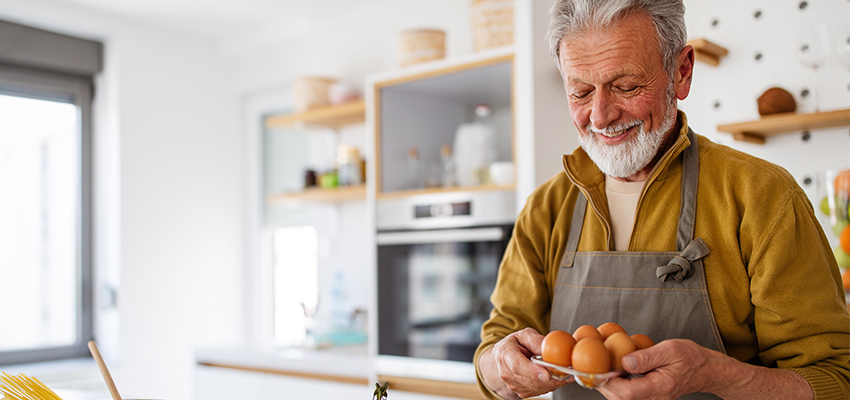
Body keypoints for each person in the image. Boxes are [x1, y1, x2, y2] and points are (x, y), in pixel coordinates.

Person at [473, 1, 850, 399]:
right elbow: (496, 345)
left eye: (627, 86)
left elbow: (835, 379)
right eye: (580, 92)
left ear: (681, 71)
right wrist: (500, 366)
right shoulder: (546, 209)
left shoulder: (762, 197)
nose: (600, 116)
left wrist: (719, 377)